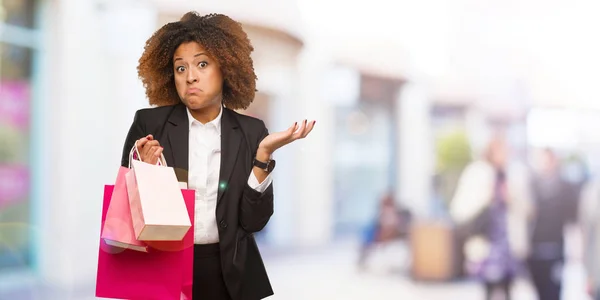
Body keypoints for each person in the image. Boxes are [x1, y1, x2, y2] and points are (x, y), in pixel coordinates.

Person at [120, 12, 315, 300]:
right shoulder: (150, 125)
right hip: (163, 269)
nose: (191, 77)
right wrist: (146, 173)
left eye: (202, 64)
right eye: (180, 68)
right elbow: (125, 210)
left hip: (230, 275)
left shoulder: (251, 132)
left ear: (225, 68)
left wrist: (263, 156)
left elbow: (253, 223)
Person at [450, 135, 531, 300]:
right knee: (488, 288)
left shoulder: (514, 174)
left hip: (508, 243)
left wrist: (511, 197)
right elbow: (459, 208)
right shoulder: (477, 173)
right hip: (486, 241)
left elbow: (528, 209)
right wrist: (487, 196)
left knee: (508, 288)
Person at [528, 149, 580, 300]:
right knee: (539, 291)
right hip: (535, 249)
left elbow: (573, 220)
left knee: (554, 291)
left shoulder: (565, 188)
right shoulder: (532, 186)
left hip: (555, 248)